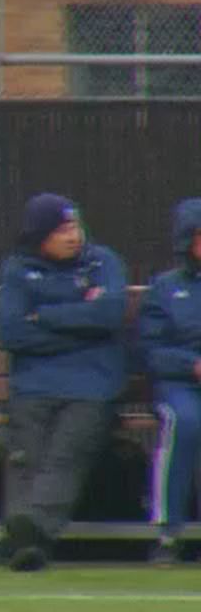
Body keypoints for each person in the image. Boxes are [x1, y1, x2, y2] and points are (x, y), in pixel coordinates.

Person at [0, 193, 126, 572]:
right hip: (34, 385)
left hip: (93, 385)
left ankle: (28, 533)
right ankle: (27, 536)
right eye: (62, 229)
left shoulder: (104, 262)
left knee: (66, 451)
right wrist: (81, 323)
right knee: (25, 454)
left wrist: (44, 316)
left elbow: (108, 315)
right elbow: (12, 332)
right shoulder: (17, 270)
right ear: (40, 236)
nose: (73, 235)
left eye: (75, 226)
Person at [138, 198, 201, 565]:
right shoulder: (164, 289)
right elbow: (150, 349)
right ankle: (167, 531)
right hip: (179, 385)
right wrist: (192, 365)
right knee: (185, 421)